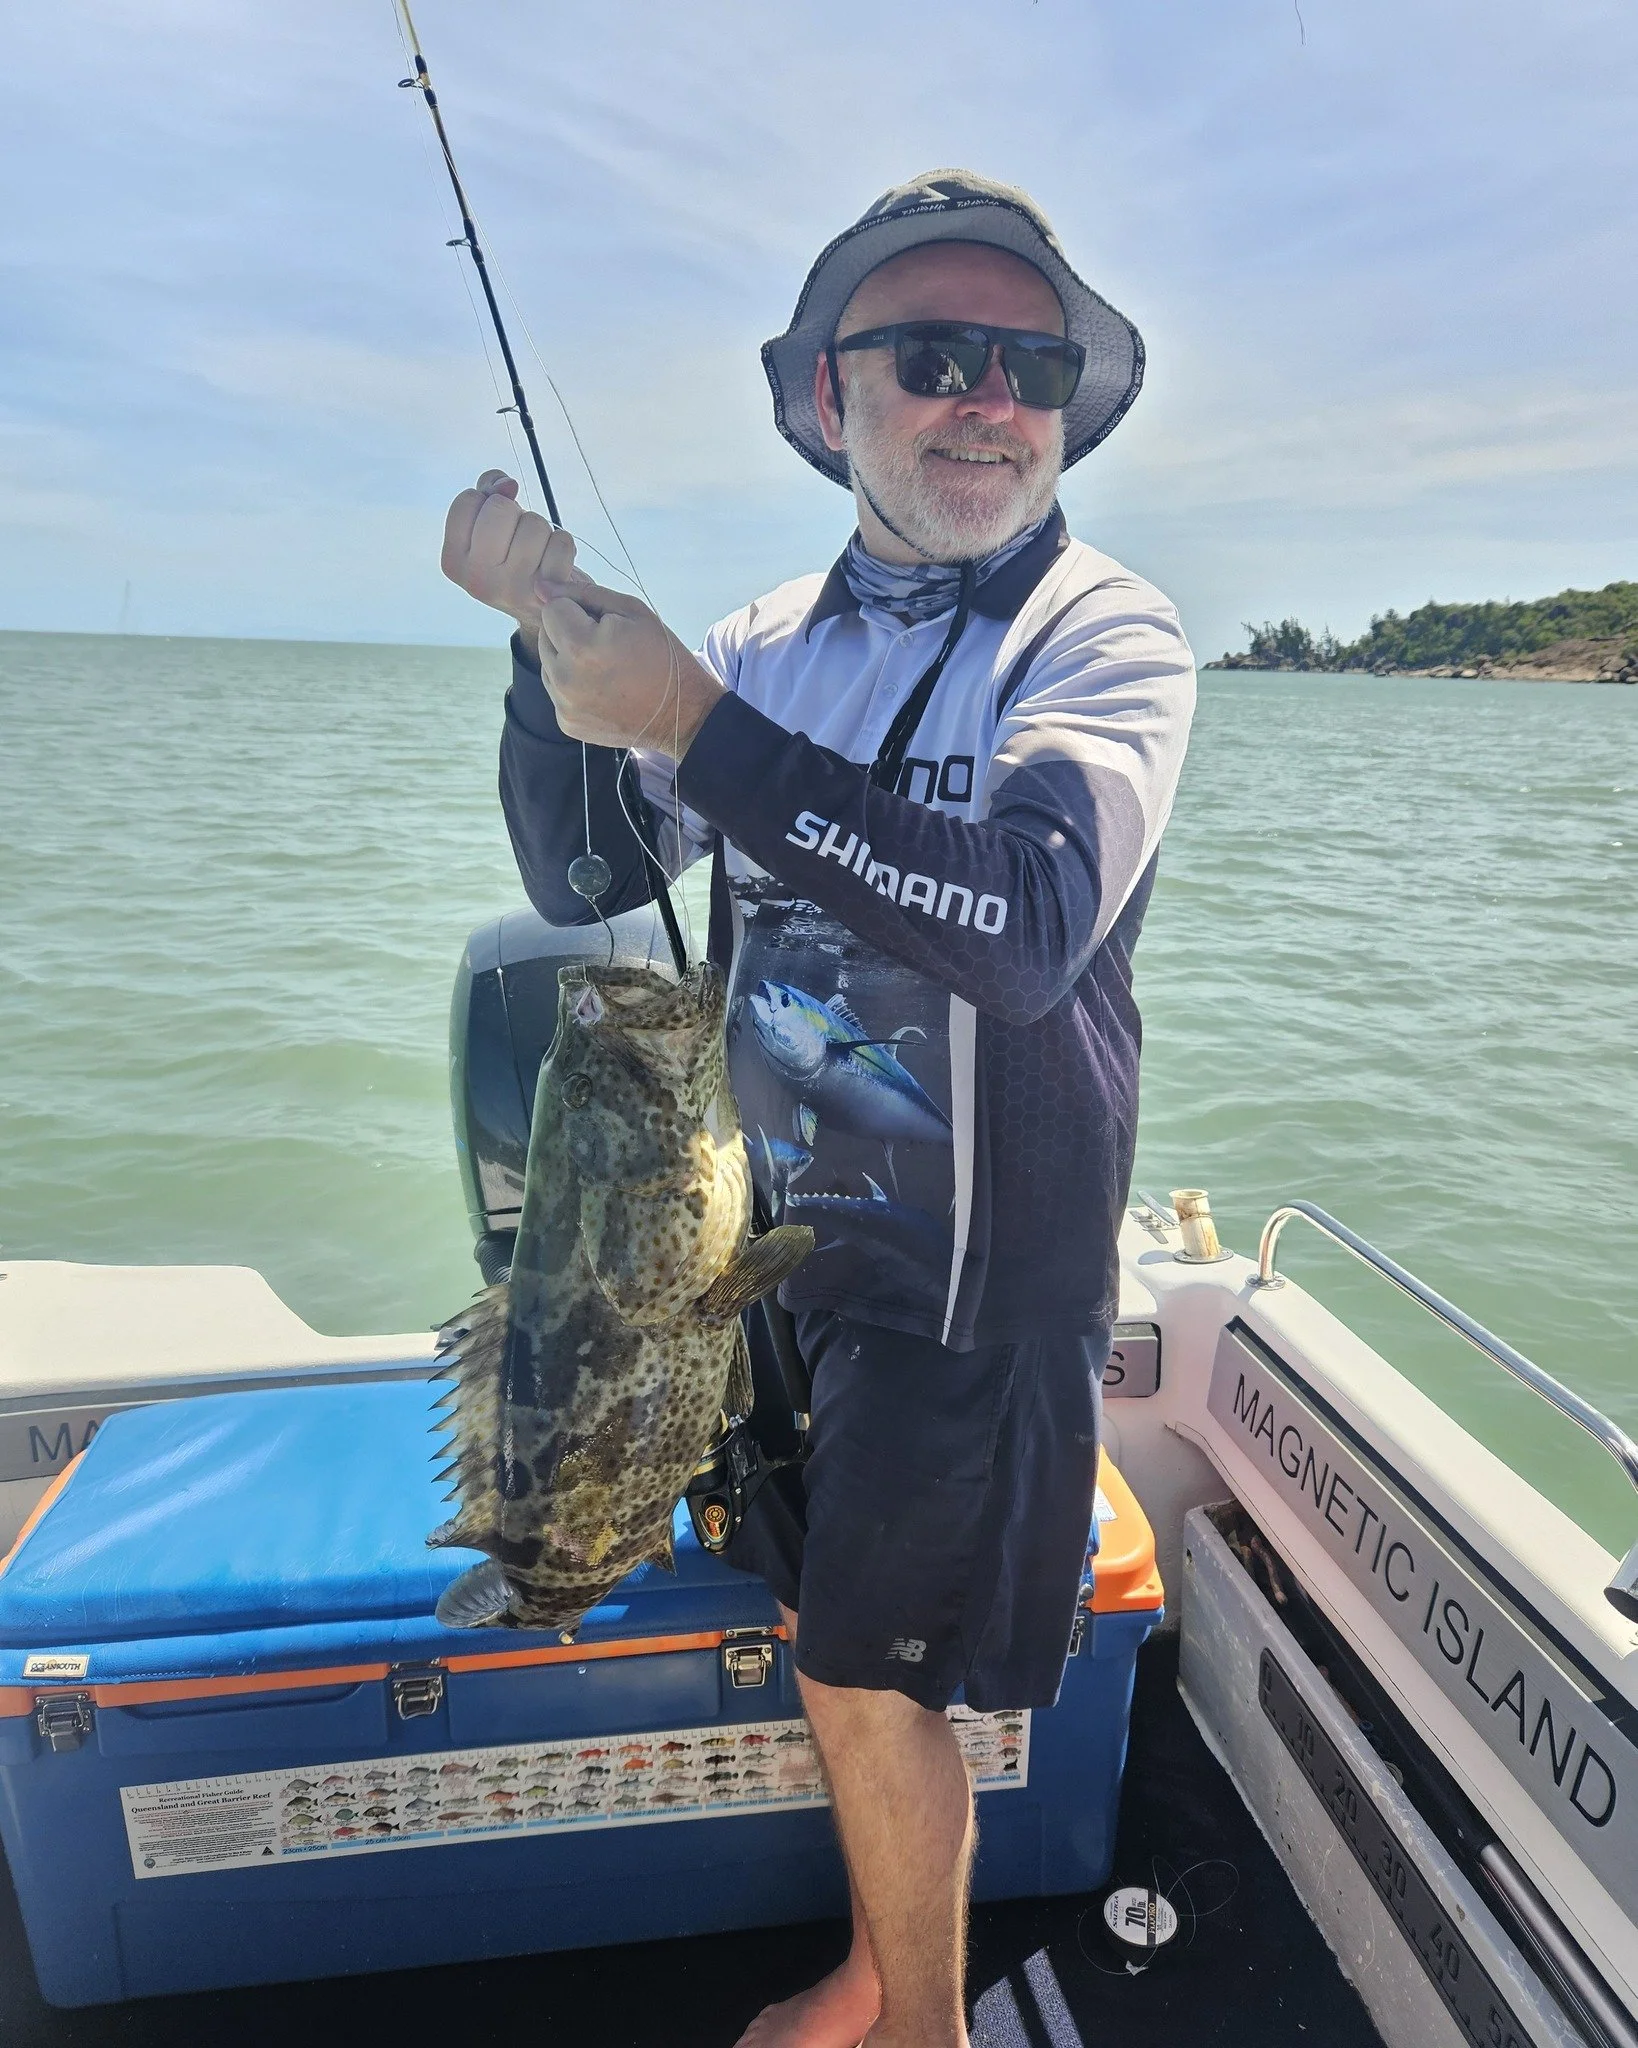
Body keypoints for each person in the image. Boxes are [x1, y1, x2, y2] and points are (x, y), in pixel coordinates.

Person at [441, 169, 1195, 2048]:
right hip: (771, 1247)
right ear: (827, 400)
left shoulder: (1102, 637)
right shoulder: (770, 637)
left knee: (875, 1674)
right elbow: (584, 870)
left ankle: (916, 2023)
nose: (985, 398)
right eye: (933, 356)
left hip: (966, 1273)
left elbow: (1021, 933)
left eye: (1026, 364)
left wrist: (693, 721)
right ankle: (886, 1965)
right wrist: (555, 665)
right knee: (832, 1642)